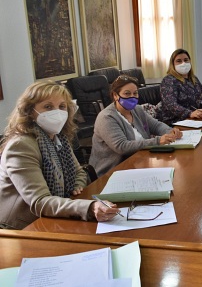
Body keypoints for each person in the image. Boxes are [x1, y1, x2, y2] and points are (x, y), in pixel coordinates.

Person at [0, 81, 120, 229]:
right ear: (30, 111)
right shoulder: (21, 146)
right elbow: (40, 201)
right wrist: (89, 207)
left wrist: (76, 187)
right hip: (21, 228)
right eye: (48, 107)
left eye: (62, 106)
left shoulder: (58, 138)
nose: (57, 112)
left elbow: (79, 172)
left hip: (55, 215)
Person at [90, 75, 182, 176]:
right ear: (115, 95)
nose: (132, 97)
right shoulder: (106, 117)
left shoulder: (137, 110)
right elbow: (122, 147)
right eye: (127, 93)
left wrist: (170, 131)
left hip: (140, 161)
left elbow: (156, 126)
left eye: (135, 93)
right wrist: (158, 141)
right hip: (113, 171)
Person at [160, 49, 202, 125]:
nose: (183, 63)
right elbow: (171, 105)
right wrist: (189, 113)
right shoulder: (168, 81)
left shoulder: (193, 78)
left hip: (195, 118)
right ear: (173, 64)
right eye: (179, 61)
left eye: (186, 60)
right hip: (176, 122)